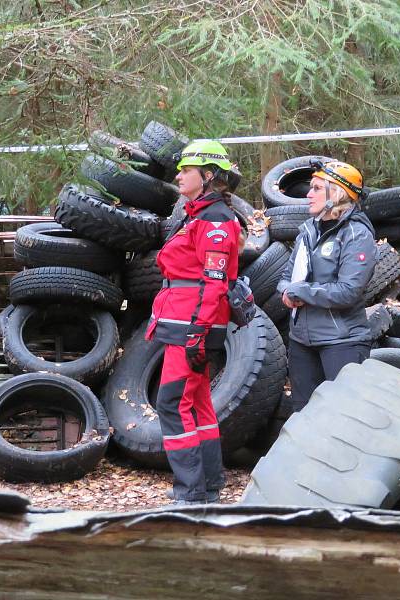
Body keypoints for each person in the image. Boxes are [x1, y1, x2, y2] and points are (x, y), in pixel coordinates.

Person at [145, 139, 241, 505]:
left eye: (187, 170)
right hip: (182, 318)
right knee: (196, 402)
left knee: (171, 403)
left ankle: (190, 493)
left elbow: (214, 284)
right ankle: (209, 484)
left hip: (191, 322)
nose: (179, 175)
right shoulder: (196, 214)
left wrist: (198, 332)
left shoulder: (215, 219)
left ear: (208, 176)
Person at [277, 160, 378, 412]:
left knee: (342, 419)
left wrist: (300, 291)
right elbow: (285, 278)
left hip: (342, 342)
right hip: (301, 340)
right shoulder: (307, 231)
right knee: (302, 415)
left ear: (338, 193)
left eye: (317, 188)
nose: (308, 195)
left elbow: (348, 291)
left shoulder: (356, 234)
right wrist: (286, 292)